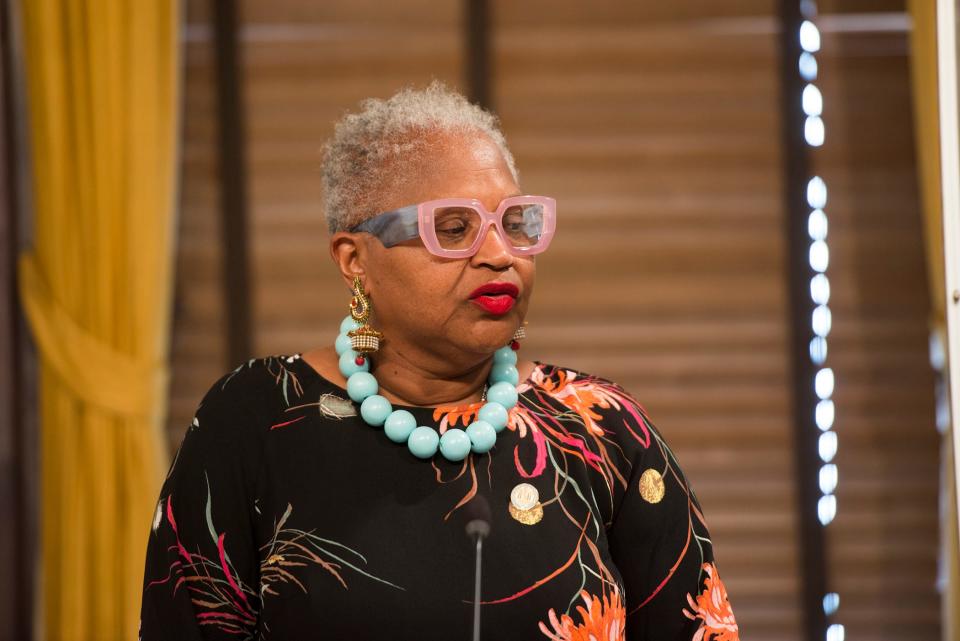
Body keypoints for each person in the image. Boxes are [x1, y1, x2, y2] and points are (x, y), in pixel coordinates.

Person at [139, 80, 739, 641]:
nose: (500, 255)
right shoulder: (253, 420)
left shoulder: (601, 427)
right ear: (355, 259)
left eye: (515, 224)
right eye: (454, 229)